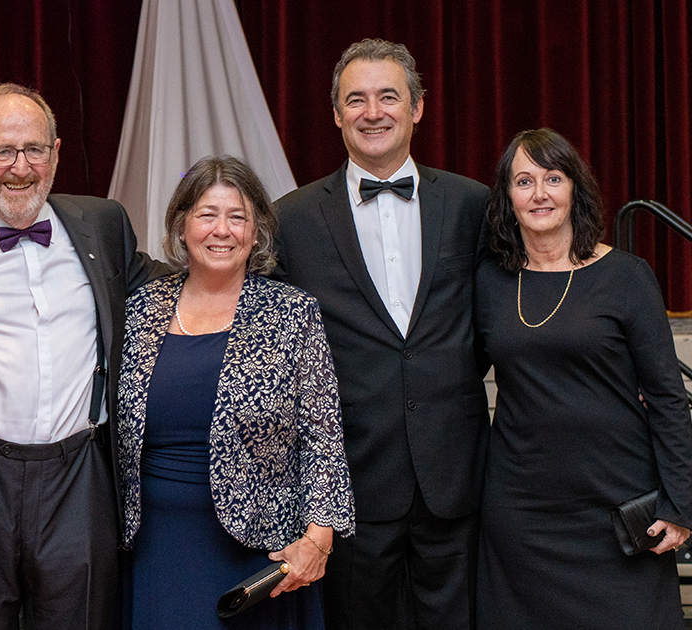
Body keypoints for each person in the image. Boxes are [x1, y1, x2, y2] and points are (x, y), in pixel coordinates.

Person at [0, 82, 162, 630]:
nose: (21, 168)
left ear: (57, 153)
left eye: (34, 149)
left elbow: (174, 293)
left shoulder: (103, 227)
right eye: (2, 153)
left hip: (79, 477)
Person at [271, 39, 489, 629]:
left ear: (417, 108)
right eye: (356, 100)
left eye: (389, 97)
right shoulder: (289, 219)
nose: (373, 112)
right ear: (336, 114)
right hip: (350, 487)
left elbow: (512, 311)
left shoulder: (474, 205)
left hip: (456, 477)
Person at [117, 156, 354, 629]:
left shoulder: (292, 312)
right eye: (207, 215)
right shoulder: (140, 309)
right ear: (182, 226)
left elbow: (323, 436)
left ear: (257, 230)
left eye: (237, 216)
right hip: (154, 549)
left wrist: (318, 539)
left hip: (260, 553)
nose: (221, 230)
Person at [475, 127, 692, 628]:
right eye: (523, 181)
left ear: (575, 188)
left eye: (553, 177)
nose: (540, 193)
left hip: (616, 508)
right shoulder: (490, 281)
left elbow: (666, 397)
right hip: (522, 515)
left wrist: (680, 501)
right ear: (508, 197)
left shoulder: (627, 276)